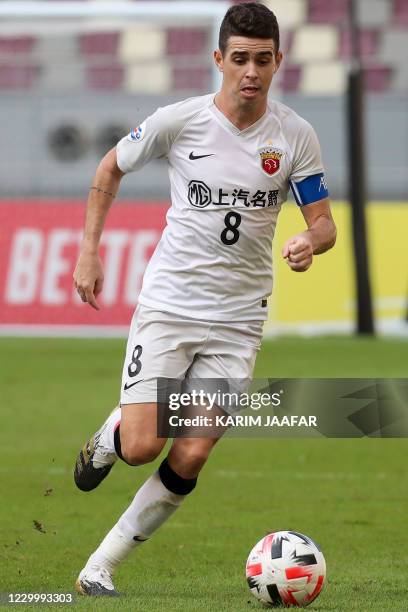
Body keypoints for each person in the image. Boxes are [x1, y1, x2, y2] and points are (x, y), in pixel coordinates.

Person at [72, 2, 336, 597]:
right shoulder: (180, 120)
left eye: (262, 60)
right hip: (169, 305)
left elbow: (324, 223)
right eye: (239, 59)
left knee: (191, 453)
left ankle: (100, 566)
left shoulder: (295, 136)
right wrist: (90, 250)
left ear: (278, 63)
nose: (250, 72)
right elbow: (111, 166)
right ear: (219, 60)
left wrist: (308, 241)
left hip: (240, 319)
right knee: (144, 446)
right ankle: (115, 431)